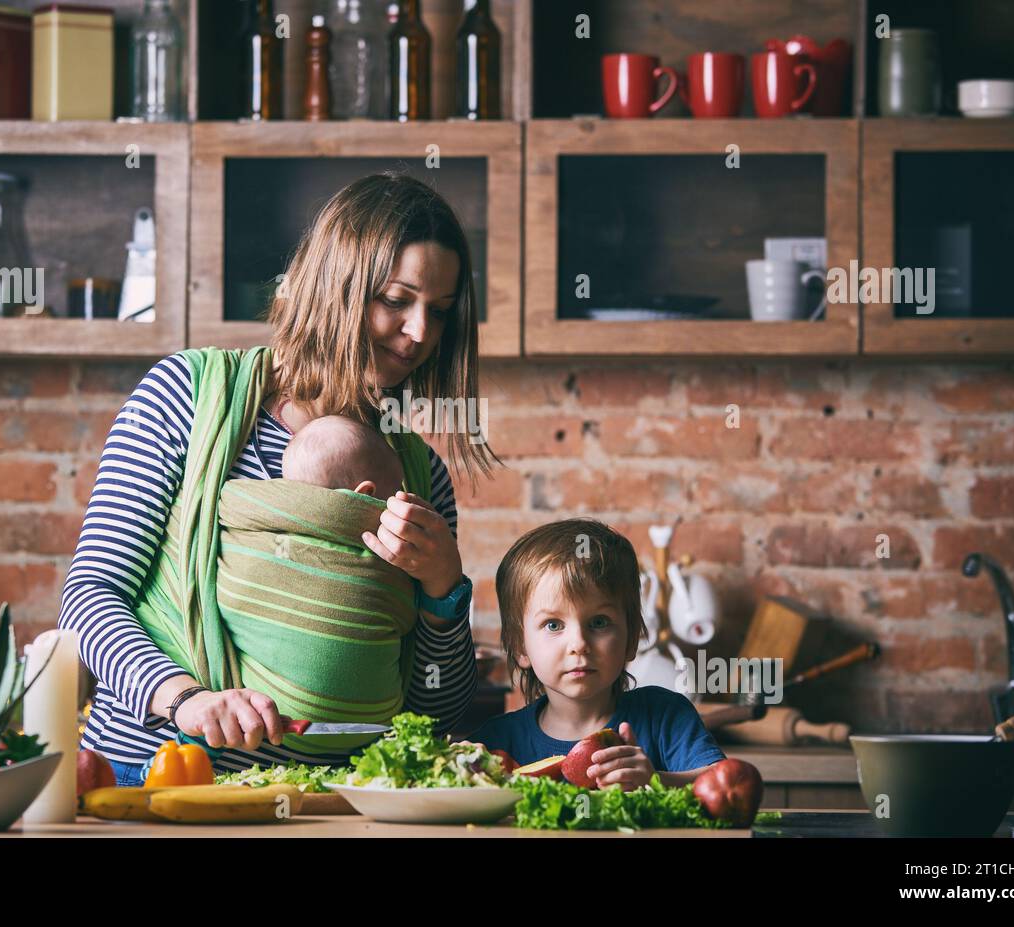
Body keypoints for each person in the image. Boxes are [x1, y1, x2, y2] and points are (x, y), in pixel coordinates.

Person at [59, 172, 498, 786]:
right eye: (397, 300)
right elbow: (88, 601)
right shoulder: (188, 398)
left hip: (334, 806)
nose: (421, 332)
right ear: (334, 285)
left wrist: (444, 591)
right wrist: (186, 699)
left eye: (440, 312)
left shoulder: (421, 476)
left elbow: (435, 711)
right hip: (155, 785)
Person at [469, 519, 726, 789]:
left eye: (599, 622)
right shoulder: (496, 741)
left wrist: (656, 780)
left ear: (632, 637)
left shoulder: (665, 717)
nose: (579, 643)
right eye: (553, 625)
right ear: (520, 646)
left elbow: (723, 780)